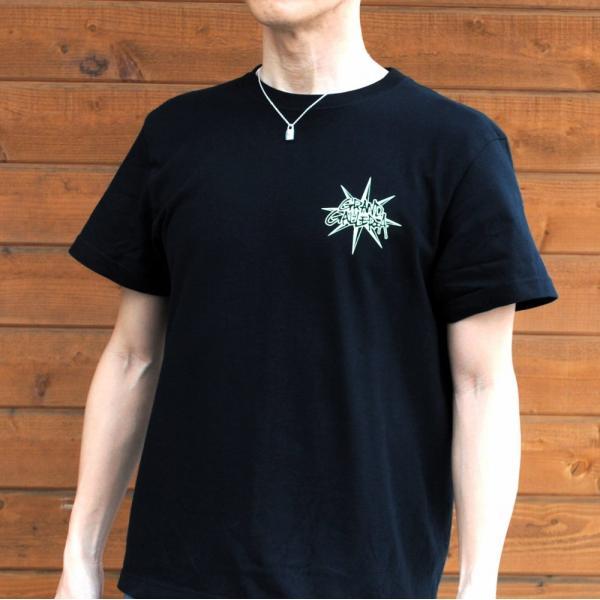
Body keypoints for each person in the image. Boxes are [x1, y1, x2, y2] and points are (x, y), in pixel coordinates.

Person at [54, 0, 559, 598]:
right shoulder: (178, 135)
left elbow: (483, 384)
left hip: (367, 576)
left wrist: (479, 586)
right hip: (182, 573)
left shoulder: (454, 146)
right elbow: (132, 357)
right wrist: (79, 559)